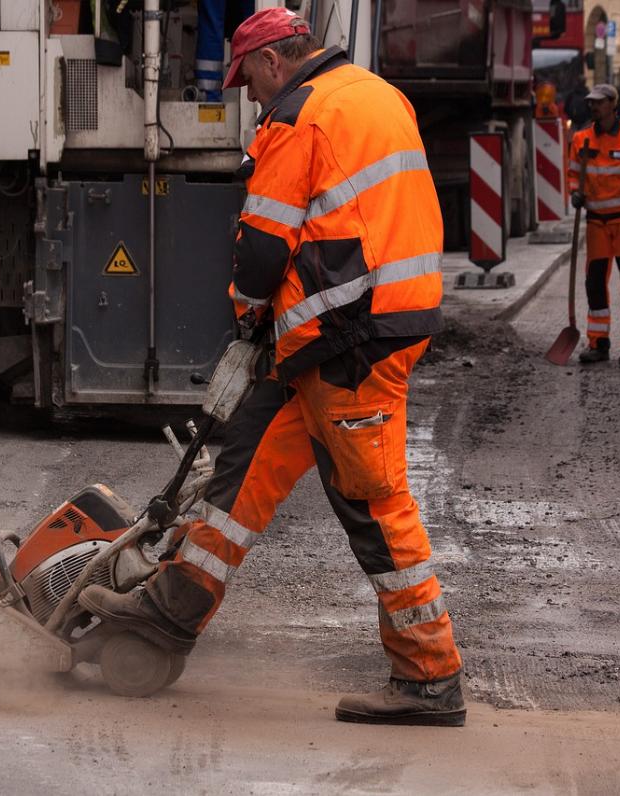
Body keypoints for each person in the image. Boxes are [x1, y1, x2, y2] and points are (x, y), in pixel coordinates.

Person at [79, 7, 466, 726]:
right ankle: (171, 612)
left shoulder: (297, 116)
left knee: (373, 506)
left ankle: (430, 677)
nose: (248, 94)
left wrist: (247, 315)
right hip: (343, 331)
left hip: (351, 339)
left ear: (271, 62)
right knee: (242, 472)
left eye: (246, 79)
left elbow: (262, 247)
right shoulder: (378, 94)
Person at [567, 83, 620, 366]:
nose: (593, 106)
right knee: (595, 284)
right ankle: (598, 343)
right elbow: (573, 174)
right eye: (591, 102)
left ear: (613, 105)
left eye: (600, 102)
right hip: (596, 225)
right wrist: (574, 193)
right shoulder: (581, 139)